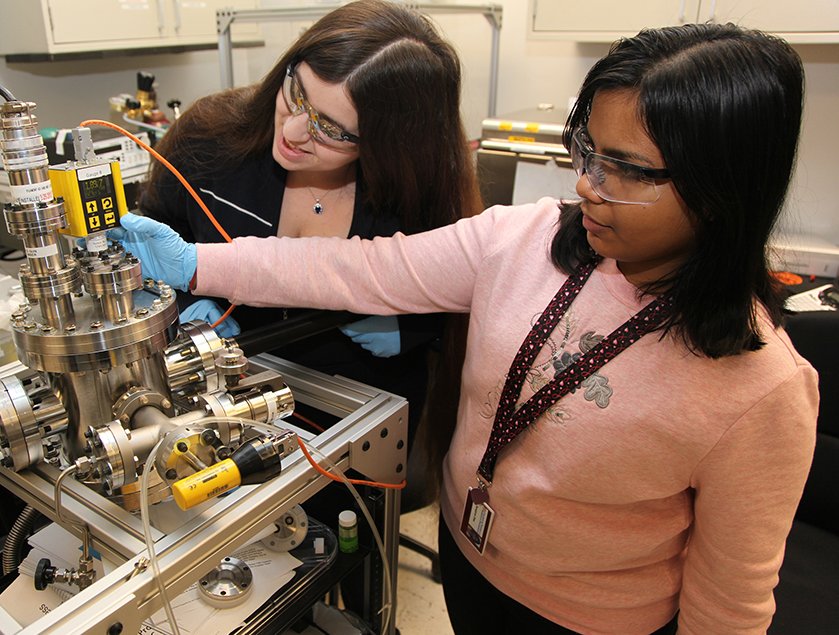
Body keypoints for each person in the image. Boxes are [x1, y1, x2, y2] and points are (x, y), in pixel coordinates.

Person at [116, 22, 819, 635]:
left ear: (723, 189)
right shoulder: (521, 238)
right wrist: (199, 263)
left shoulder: (763, 390)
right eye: (587, 149)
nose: (585, 184)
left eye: (624, 170)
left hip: (595, 617)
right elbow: (352, 270)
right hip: (470, 560)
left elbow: (730, 605)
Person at [125, 0, 481, 455]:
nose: (293, 131)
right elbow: (151, 245)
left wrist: (413, 327)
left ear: (390, 144)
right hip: (222, 405)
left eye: (330, 129)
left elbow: (455, 283)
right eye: (297, 93)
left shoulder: (414, 189)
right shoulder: (208, 142)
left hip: (357, 418)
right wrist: (181, 304)